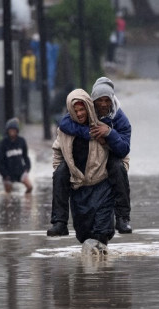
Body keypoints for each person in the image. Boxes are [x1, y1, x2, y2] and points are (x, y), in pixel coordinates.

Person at [48, 77, 132, 236]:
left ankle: (123, 218)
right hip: (81, 170)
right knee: (59, 173)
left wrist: (108, 133)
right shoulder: (83, 111)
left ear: (112, 100)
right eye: (99, 100)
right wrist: (90, 134)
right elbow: (65, 124)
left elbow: (124, 150)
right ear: (92, 102)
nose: (103, 104)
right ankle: (59, 221)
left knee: (118, 169)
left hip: (108, 161)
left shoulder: (120, 120)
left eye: (107, 100)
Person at [52, 89, 116, 246]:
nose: (79, 114)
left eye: (82, 109)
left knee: (101, 233)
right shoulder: (65, 130)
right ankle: (59, 222)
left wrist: (107, 139)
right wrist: (61, 172)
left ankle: (123, 218)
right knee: (84, 236)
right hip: (79, 188)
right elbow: (57, 152)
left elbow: (121, 151)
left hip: (102, 186)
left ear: (88, 107)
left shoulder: (104, 126)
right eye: (76, 111)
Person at [0, 118, 33, 193]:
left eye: (14, 130)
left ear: (17, 131)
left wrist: (27, 169)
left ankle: (26, 200)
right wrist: (4, 174)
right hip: (8, 173)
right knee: (8, 194)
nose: (12, 132)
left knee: (30, 187)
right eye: (10, 130)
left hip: (20, 171)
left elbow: (25, 157)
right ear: (7, 131)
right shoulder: (3, 143)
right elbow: (1, 161)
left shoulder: (21, 141)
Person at [20, 49, 36, 118]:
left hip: (32, 78)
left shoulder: (33, 58)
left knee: (32, 93)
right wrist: (25, 77)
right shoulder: (25, 59)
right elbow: (24, 69)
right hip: (27, 79)